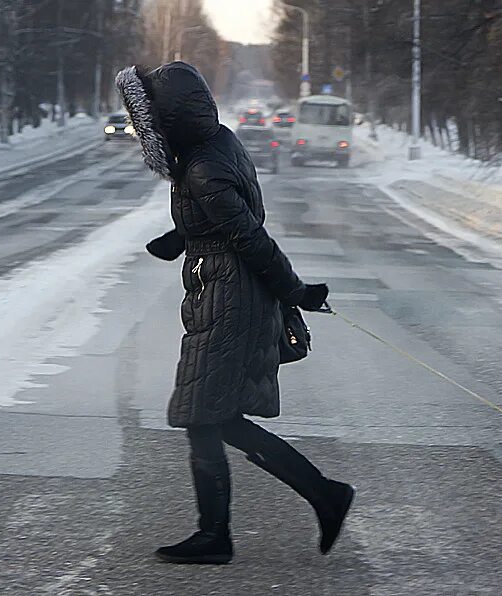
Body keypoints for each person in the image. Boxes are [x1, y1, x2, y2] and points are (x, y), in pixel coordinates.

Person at [115, 62, 354, 565]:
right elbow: (226, 212)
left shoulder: (200, 167)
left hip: (229, 299)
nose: (143, 130)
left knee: (204, 415)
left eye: (148, 120)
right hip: (223, 290)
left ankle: (224, 533)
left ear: (171, 119)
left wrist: (297, 292)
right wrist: (182, 238)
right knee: (216, 417)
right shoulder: (214, 147)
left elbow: (247, 234)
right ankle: (317, 498)